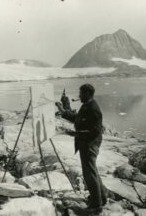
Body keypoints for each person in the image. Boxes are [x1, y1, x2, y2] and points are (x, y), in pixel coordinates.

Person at [55, 83, 107, 213]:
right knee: (92, 170)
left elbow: (95, 131)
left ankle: (96, 204)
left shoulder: (93, 108)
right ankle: (102, 197)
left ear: (88, 94)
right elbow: (77, 119)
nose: (79, 96)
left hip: (90, 143)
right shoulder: (86, 105)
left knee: (89, 173)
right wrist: (62, 110)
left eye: (81, 93)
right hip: (86, 142)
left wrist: (76, 133)